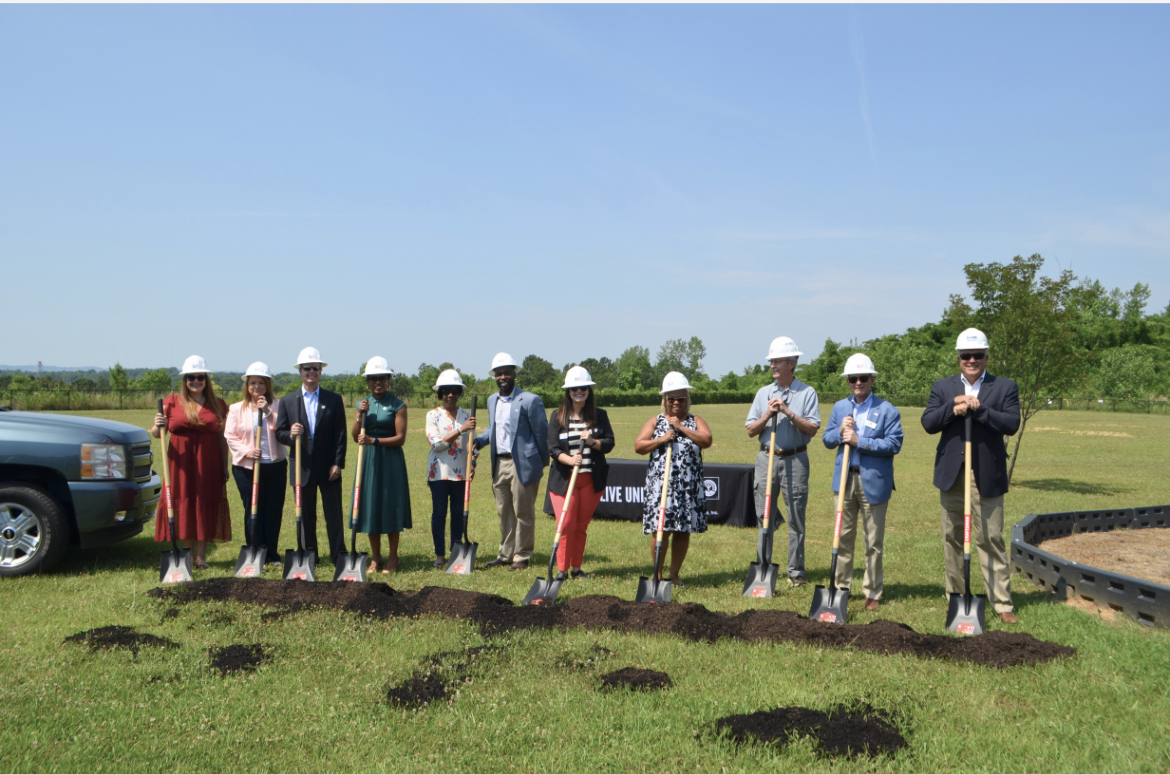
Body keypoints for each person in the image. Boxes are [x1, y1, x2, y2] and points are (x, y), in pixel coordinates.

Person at [922, 328, 1021, 624]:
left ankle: (1002, 603)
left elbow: (1011, 423)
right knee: (952, 536)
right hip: (952, 474)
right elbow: (928, 422)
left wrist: (980, 410)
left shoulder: (1004, 387)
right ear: (959, 358)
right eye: (966, 355)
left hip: (986, 473)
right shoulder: (943, 386)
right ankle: (956, 597)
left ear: (986, 357)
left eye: (977, 355)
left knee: (990, 536)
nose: (972, 360)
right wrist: (953, 407)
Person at [821, 354, 903, 610]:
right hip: (844, 479)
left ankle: (872, 592)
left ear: (872, 379)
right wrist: (839, 432)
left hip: (874, 482)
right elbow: (826, 439)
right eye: (853, 379)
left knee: (873, 541)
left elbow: (894, 443)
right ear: (848, 381)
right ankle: (841, 589)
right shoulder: (840, 408)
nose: (858, 383)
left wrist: (860, 442)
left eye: (863, 378)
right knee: (842, 537)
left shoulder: (887, 410)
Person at [744, 336, 821, 587]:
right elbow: (750, 430)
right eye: (771, 361)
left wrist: (788, 412)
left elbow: (812, 429)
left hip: (796, 459)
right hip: (767, 458)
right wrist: (769, 413)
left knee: (796, 516)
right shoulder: (763, 393)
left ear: (792, 363)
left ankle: (795, 572)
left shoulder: (807, 392)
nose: (773, 366)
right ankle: (763, 567)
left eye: (778, 361)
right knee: (764, 515)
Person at [150, 355, 231, 569]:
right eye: (190, 377)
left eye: (200, 377)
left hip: (208, 462)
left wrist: (224, 465)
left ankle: (200, 557)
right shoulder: (172, 402)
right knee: (184, 502)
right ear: (184, 381)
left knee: (204, 503)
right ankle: (186, 554)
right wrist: (158, 425)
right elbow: (157, 434)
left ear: (206, 379)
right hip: (180, 465)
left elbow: (223, 438)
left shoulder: (219, 405)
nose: (195, 381)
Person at [634, 371, 713, 586]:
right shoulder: (655, 421)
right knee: (662, 529)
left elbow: (706, 440)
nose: (676, 403)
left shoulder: (695, 421)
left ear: (688, 400)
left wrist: (680, 427)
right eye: (671, 399)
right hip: (662, 487)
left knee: (683, 530)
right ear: (665, 400)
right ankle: (657, 575)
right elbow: (639, 446)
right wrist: (661, 439)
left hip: (688, 486)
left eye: (681, 399)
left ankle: (674, 574)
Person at [473, 352, 549, 571]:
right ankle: (506, 553)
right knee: (504, 510)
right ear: (494, 376)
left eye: (507, 372)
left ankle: (522, 555)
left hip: (522, 464)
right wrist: (479, 441)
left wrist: (540, 464)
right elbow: (493, 429)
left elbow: (541, 434)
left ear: (514, 374)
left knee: (523, 511)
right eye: (499, 373)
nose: (503, 377)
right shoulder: (491, 400)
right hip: (500, 462)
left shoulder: (530, 399)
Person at [274, 347, 348, 565]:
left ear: (321, 371)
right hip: (301, 467)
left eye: (316, 368)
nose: (311, 372)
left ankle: (338, 555)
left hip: (328, 467)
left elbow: (340, 434)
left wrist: (337, 463)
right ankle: (309, 555)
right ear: (300, 371)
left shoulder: (333, 400)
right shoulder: (288, 401)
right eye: (307, 368)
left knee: (333, 514)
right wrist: (291, 434)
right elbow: (279, 433)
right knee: (306, 516)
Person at [546, 366, 616, 580]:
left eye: (584, 388)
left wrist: (592, 442)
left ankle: (576, 568)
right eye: (575, 388)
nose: (579, 391)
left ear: (589, 390)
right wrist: (569, 459)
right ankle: (561, 570)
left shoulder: (599, 416)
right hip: (564, 481)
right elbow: (552, 448)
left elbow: (609, 443)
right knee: (565, 524)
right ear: (568, 391)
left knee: (580, 526)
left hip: (590, 481)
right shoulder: (557, 416)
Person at [351, 356, 411, 573]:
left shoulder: (398, 405)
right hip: (368, 461)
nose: (378, 383)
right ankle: (376, 557)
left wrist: (374, 441)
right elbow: (355, 436)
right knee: (370, 506)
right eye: (373, 379)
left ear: (388, 380)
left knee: (390, 506)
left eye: (382, 379)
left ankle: (393, 557)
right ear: (368, 381)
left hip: (391, 461)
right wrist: (360, 416)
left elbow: (400, 438)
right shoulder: (363, 404)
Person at [224, 362, 288, 564]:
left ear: (267, 385)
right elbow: (230, 436)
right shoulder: (236, 409)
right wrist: (247, 451)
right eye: (253, 383)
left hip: (275, 465)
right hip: (246, 468)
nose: (257, 387)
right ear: (247, 385)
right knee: (253, 509)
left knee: (273, 510)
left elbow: (283, 430)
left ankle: (271, 554)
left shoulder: (278, 405)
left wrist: (268, 412)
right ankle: (254, 551)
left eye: (261, 383)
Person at [424, 369, 477, 568]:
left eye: (455, 391)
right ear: (440, 393)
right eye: (446, 391)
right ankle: (439, 555)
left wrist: (472, 463)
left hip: (461, 474)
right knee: (439, 513)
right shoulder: (433, 415)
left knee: (458, 513)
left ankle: (456, 553)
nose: (450, 395)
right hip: (438, 473)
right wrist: (461, 430)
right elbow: (436, 444)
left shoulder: (467, 415)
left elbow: (471, 445)